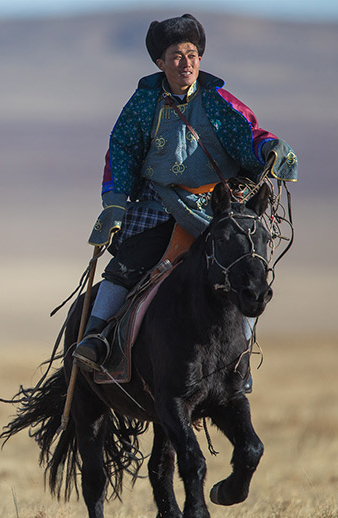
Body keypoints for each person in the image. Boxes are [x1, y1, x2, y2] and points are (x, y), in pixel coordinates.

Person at [72, 14, 298, 372]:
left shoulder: (219, 100)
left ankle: (239, 359)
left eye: (192, 54)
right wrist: (115, 206)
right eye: (176, 55)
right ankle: (96, 338)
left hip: (218, 209)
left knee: (248, 275)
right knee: (127, 265)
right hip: (160, 204)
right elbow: (121, 153)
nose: (186, 62)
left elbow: (248, 135)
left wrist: (268, 148)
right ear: (160, 63)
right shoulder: (142, 104)